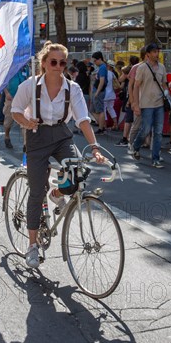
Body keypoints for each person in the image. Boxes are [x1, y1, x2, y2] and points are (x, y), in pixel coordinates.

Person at [11, 42, 105, 269]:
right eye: (53, 62)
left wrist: (94, 147)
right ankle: (32, 246)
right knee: (36, 192)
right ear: (44, 63)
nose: (58, 66)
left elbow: (82, 119)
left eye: (62, 62)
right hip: (37, 136)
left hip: (62, 135)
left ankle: (57, 193)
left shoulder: (72, 88)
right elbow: (15, 110)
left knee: (76, 175)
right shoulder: (30, 86)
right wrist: (27, 121)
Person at [132, 42, 167, 168]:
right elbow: (136, 86)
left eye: (158, 51)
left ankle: (155, 158)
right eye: (154, 52)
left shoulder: (162, 67)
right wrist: (135, 104)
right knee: (145, 130)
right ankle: (136, 146)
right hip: (146, 104)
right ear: (148, 54)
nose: (157, 54)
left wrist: (167, 95)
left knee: (158, 132)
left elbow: (164, 84)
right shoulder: (142, 68)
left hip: (159, 104)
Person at [3, 65, 29, 148]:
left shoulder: (26, 68)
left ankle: (26, 143)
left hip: (23, 98)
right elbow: (3, 82)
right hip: (11, 97)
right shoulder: (10, 67)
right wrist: (7, 93)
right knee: (9, 120)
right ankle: (7, 136)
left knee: (25, 120)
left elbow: (28, 81)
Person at [90, 51, 108, 135]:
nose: (94, 62)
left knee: (100, 110)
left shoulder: (103, 67)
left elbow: (102, 81)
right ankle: (101, 125)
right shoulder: (102, 67)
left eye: (95, 60)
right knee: (93, 109)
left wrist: (97, 92)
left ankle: (101, 127)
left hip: (99, 91)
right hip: (97, 90)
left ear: (99, 59)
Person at [115, 65, 131, 146]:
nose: (122, 75)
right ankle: (127, 138)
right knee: (129, 120)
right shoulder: (127, 81)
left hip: (130, 102)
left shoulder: (131, 81)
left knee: (129, 120)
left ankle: (126, 139)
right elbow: (120, 80)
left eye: (124, 74)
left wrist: (129, 101)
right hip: (128, 100)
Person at [104, 61, 119, 130]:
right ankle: (115, 124)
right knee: (111, 108)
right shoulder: (112, 74)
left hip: (104, 94)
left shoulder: (104, 73)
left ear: (108, 66)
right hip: (112, 94)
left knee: (103, 110)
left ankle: (104, 125)